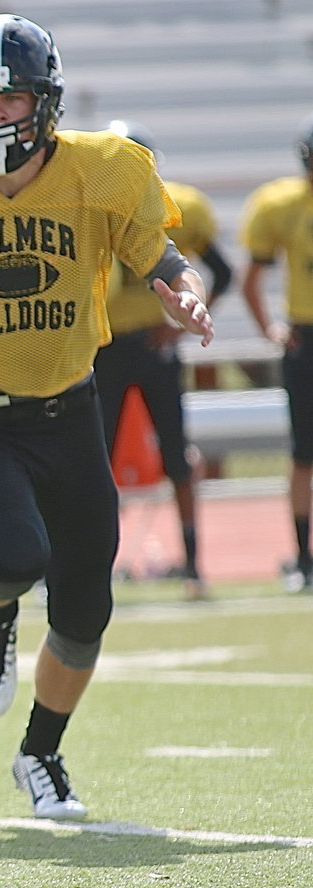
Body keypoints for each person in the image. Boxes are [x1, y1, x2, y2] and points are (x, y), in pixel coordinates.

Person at [0, 14, 215, 819]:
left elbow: (158, 252)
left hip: (71, 412)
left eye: (8, 100)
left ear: (43, 100)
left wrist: (185, 289)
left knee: (86, 606)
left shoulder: (102, 169)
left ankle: (40, 754)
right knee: (17, 554)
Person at [94, 120, 233, 601]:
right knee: (95, 461)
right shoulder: (90, 209)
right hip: (105, 348)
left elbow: (221, 271)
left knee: (176, 458)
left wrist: (180, 321)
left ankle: (194, 563)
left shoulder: (178, 208)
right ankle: (93, 568)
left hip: (154, 349)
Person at [240, 116, 313, 595]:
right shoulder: (282, 204)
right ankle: (304, 558)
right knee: (303, 454)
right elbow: (251, 278)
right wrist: (271, 327)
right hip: (305, 336)